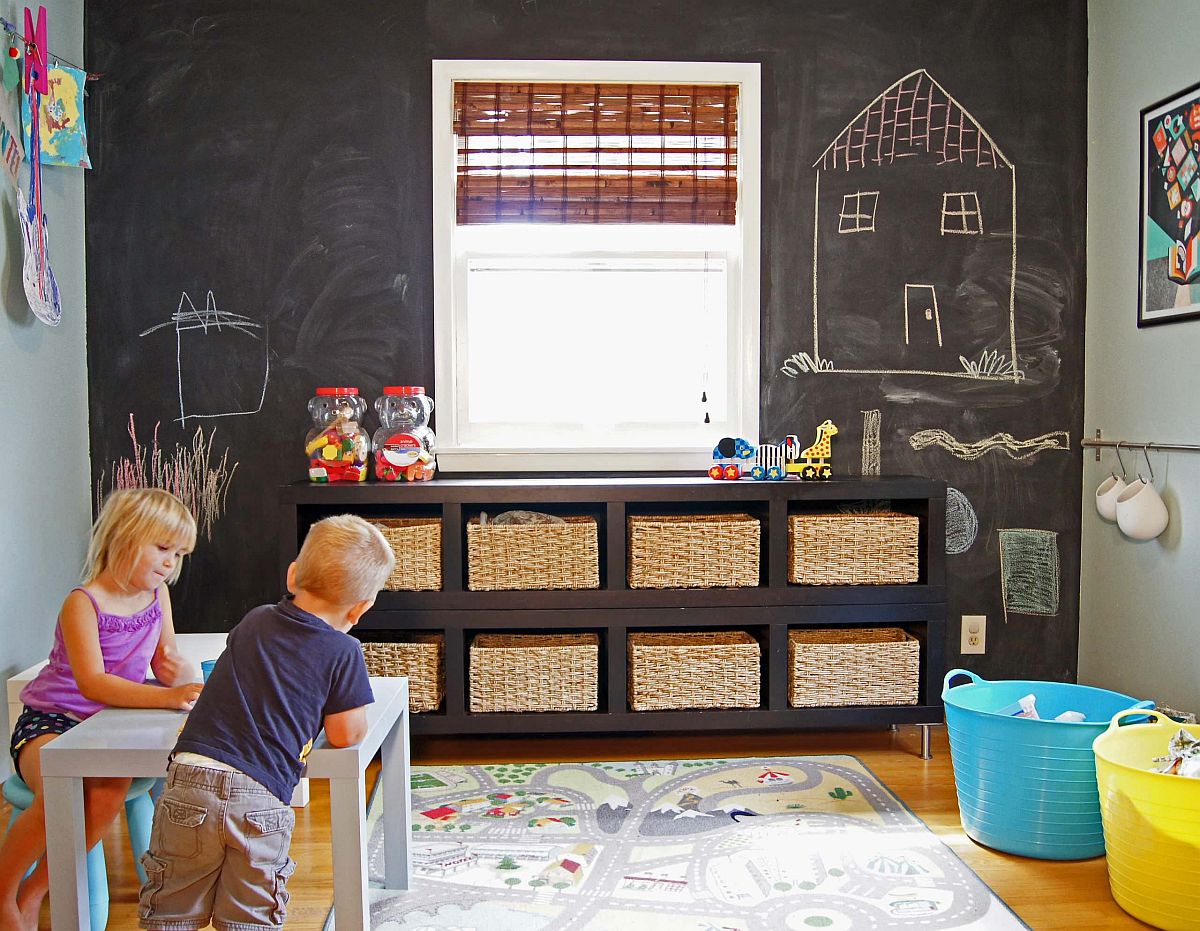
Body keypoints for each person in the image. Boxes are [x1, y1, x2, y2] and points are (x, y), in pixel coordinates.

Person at [138, 513, 394, 931]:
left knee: (170, 912)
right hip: (259, 799)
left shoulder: (254, 620)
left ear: (293, 575)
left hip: (187, 782)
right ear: (362, 607)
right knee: (250, 919)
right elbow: (346, 734)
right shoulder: (343, 650)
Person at [0, 488, 202, 931]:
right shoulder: (83, 602)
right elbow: (94, 683)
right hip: (51, 721)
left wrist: (187, 681)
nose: (171, 564)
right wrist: (168, 696)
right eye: (164, 548)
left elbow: (164, 657)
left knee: (110, 791)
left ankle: (34, 892)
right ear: (125, 536)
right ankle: (4, 893)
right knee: (59, 789)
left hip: (110, 724)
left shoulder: (156, 597)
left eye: (179, 554)